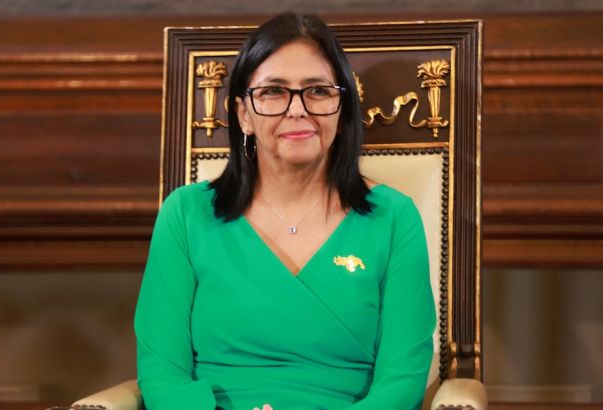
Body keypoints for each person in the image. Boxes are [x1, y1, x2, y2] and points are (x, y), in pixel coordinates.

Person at [134, 12, 435, 410]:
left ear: (342, 109)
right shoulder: (184, 214)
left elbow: (402, 380)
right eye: (274, 91)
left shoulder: (395, 218)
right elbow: (162, 372)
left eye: (318, 91)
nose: (298, 110)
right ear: (244, 114)